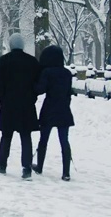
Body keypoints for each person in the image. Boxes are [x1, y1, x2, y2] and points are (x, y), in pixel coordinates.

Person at [0, 33, 41, 180]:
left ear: (11, 45)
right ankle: (26, 168)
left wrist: (3, 99)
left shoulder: (3, 61)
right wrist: (31, 98)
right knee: (26, 137)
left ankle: (2, 163)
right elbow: (36, 85)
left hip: (8, 105)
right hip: (26, 106)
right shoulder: (32, 62)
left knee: (6, 135)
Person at [32, 45, 74, 181]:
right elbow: (69, 94)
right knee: (64, 142)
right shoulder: (67, 73)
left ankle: (39, 166)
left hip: (49, 109)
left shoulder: (47, 72)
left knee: (43, 140)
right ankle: (66, 173)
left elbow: (40, 89)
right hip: (64, 110)